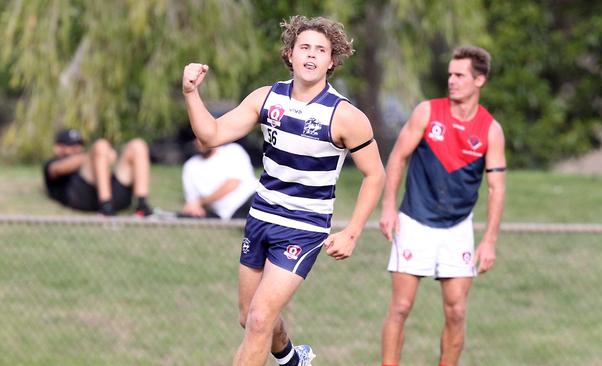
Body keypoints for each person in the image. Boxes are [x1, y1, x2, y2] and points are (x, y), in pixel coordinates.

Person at [182, 15, 385, 366]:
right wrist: (190, 92)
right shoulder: (267, 98)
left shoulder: (345, 116)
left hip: (304, 226)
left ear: (332, 60)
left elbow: (375, 175)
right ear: (290, 54)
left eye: (320, 50)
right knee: (250, 318)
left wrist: (352, 232)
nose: (311, 55)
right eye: (304, 47)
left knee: (260, 319)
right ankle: (293, 360)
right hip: (261, 216)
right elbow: (210, 135)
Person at [379, 46, 506, 366]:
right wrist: (388, 207)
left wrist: (489, 240)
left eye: (460, 75)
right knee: (401, 307)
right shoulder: (427, 112)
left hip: (457, 228)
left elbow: (496, 187)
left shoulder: (491, 130)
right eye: (450, 74)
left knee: (457, 311)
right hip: (415, 222)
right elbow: (398, 157)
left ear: (479, 80)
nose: (452, 80)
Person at [43, 128, 154, 216]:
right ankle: (106, 208)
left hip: (114, 196)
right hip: (82, 198)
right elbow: (58, 169)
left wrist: (102, 156)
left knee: (138, 145)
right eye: (70, 146)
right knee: (101, 145)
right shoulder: (51, 164)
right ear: (57, 148)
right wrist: (99, 154)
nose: (75, 149)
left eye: (78, 145)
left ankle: (142, 206)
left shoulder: (90, 157)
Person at [180, 138, 257, 219]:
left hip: (251, 199)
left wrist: (200, 202)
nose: (200, 142)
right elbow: (192, 201)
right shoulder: (190, 166)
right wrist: (197, 208)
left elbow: (232, 184)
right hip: (229, 215)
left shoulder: (232, 150)